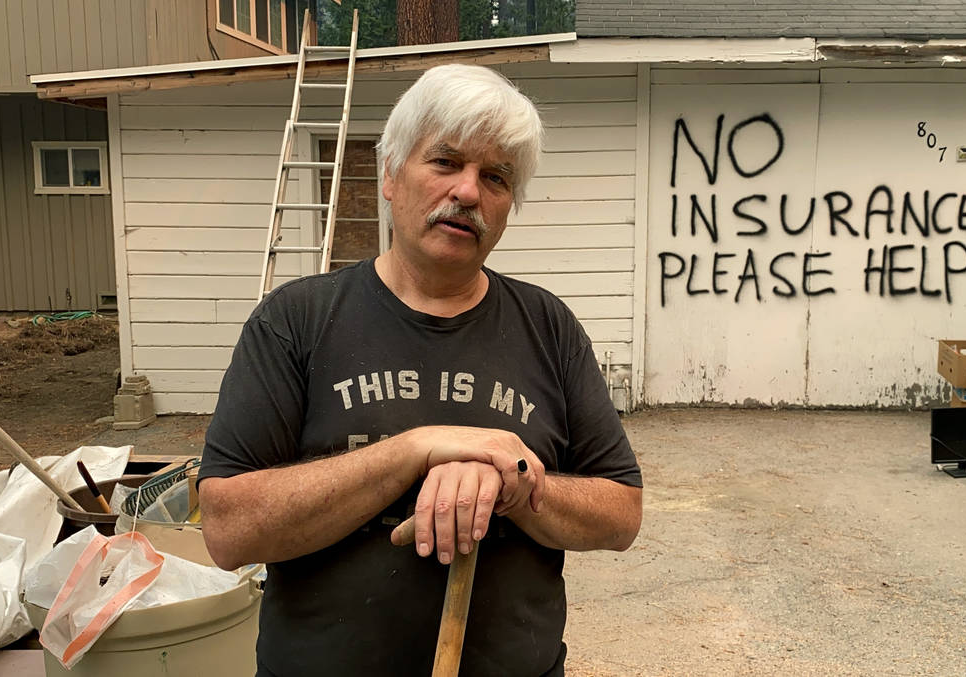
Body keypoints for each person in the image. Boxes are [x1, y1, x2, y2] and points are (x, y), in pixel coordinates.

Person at [198, 63, 644, 676]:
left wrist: (514, 488)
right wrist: (415, 450)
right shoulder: (295, 322)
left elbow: (621, 514)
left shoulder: (549, 327)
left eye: (495, 176)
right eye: (445, 162)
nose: (468, 192)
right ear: (390, 173)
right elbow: (227, 529)